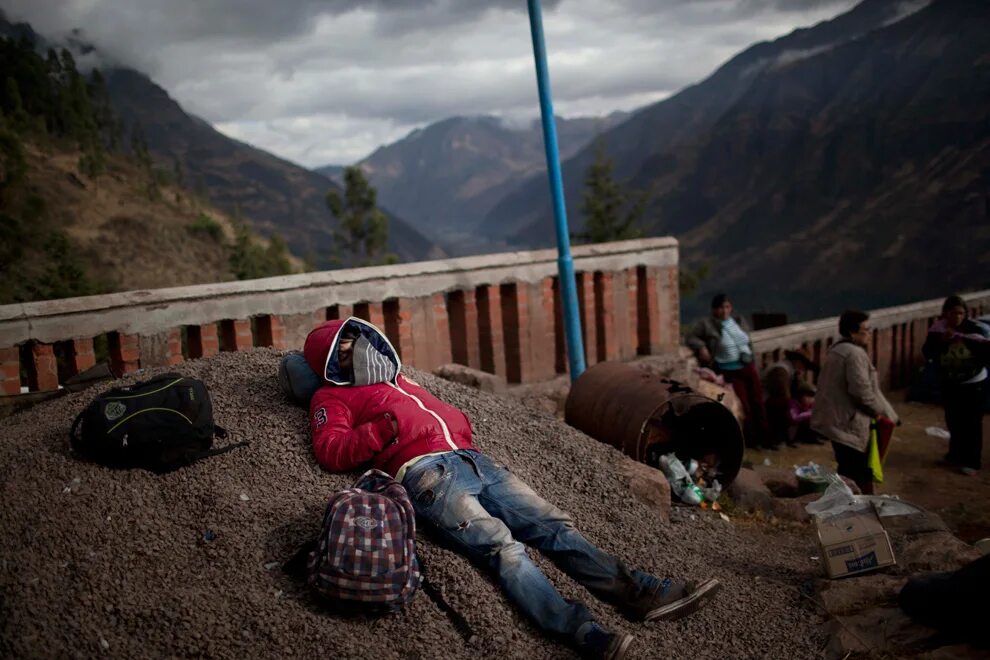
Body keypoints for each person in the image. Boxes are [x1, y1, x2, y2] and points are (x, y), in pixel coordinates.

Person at [281, 318, 721, 660]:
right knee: (504, 549)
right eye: (343, 349)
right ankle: (583, 633)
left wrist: (460, 427)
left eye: (354, 338)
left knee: (554, 526)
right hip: (427, 475)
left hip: (474, 461)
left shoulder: (398, 379)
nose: (357, 350)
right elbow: (331, 450)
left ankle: (641, 594)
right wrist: (384, 428)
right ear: (329, 367)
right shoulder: (331, 399)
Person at [811, 310, 899, 494]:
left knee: (847, 471)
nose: (869, 333)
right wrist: (879, 411)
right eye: (865, 330)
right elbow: (861, 393)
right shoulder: (854, 354)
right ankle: (858, 514)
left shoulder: (837, 350)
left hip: (837, 421)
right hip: (848, 424)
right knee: (857, 475)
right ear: (852, 332)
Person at [687, 293, 771, 449]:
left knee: (758, 401)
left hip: (747, 366)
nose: (724, 311)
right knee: (744, 404)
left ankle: (765, 437)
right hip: (729, 370)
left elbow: (747, 340)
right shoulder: (707, 325)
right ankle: (751, 439)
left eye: (727, 307)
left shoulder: (738, 321)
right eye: (720, 308)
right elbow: (690, 337)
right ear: (714, 310)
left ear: (730, 308)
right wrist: (701, 347)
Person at [922, 295, 990, 476]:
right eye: (954, 313)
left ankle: (972, 461)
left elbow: (985, 352)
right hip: (951, 384)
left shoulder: (974, 331)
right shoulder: (938, 331)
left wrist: (964, 340)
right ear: (945, 314)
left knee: (972, 423)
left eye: (961, 313)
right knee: (954, 420)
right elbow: (928, 352)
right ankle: (955, 455)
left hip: (974, 384)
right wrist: (943, 342)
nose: (958, 317)